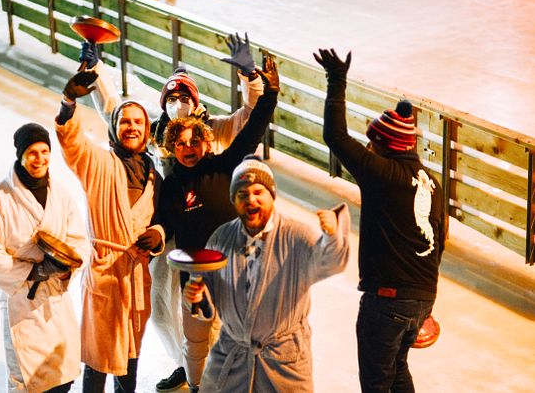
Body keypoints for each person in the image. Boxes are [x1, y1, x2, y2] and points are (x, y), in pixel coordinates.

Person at [79, 32, 264, 392]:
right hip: (165, 232)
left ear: (195, 101)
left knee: (210, 313)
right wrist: (97, 68)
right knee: (164, 310)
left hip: (206, 233)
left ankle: (213, 374)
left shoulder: (213, 129)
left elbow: (250, 117)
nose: (178, 102)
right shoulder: (156, 131)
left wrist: (250, 78)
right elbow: (113, 108)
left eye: (185, 97)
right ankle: (186, 363)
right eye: (172, 97)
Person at [313, 48, 446, 392]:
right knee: (398, 371)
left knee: (376, 383)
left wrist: (336, 80)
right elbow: (440, 240)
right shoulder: (433, 183)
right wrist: (423, 297)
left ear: (385, 145)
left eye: (373, 145)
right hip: (421, 298)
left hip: (388, 300)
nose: (369, 151)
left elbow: (336, 137)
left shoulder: (383, 173)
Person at [156, 52, 280, 392]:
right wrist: (156, 234)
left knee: (239, 344)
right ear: (172, 147)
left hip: (234, 275)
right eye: (180, 144)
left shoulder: (223, 166)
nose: (188, 147)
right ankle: (196, 385)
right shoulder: (170, 186)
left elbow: (252, 127)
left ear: (204, 141)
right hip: (193, 280)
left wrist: (267, 91)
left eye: (194, 140)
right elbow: (164, 222)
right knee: (195, 345)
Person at [183, 155, 351, 392]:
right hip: (233, 355)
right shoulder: (221, 238)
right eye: (242, 195)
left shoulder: (297, 236)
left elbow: (330, 263)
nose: (251, 200)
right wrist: (200, 297)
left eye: (258, 192)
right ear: (234, 201)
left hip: (283, 361)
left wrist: (332, 236)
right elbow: (207, 286)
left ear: (272, 195)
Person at [55, 69, 166, 392]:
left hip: (135, 276)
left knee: (131, 354)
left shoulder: (153, 176)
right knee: (99, 356)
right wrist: (68, 102)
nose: (132, 127)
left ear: (147, 131)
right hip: (105, 272)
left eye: (138, 123)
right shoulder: (99, 163)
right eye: (125, 122)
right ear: (115, 128)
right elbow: (72, 143)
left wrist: (157, 234)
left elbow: (162, 218)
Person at [0, 123, 92, 393]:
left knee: (62, 378)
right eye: (33, 153)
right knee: (29, 383)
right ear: (20, 155)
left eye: (44, 151)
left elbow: (79, 241)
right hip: (22, 306)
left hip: (56, 301)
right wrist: (30, 273)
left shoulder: (60, 194)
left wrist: (65, 268)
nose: (40, 159)